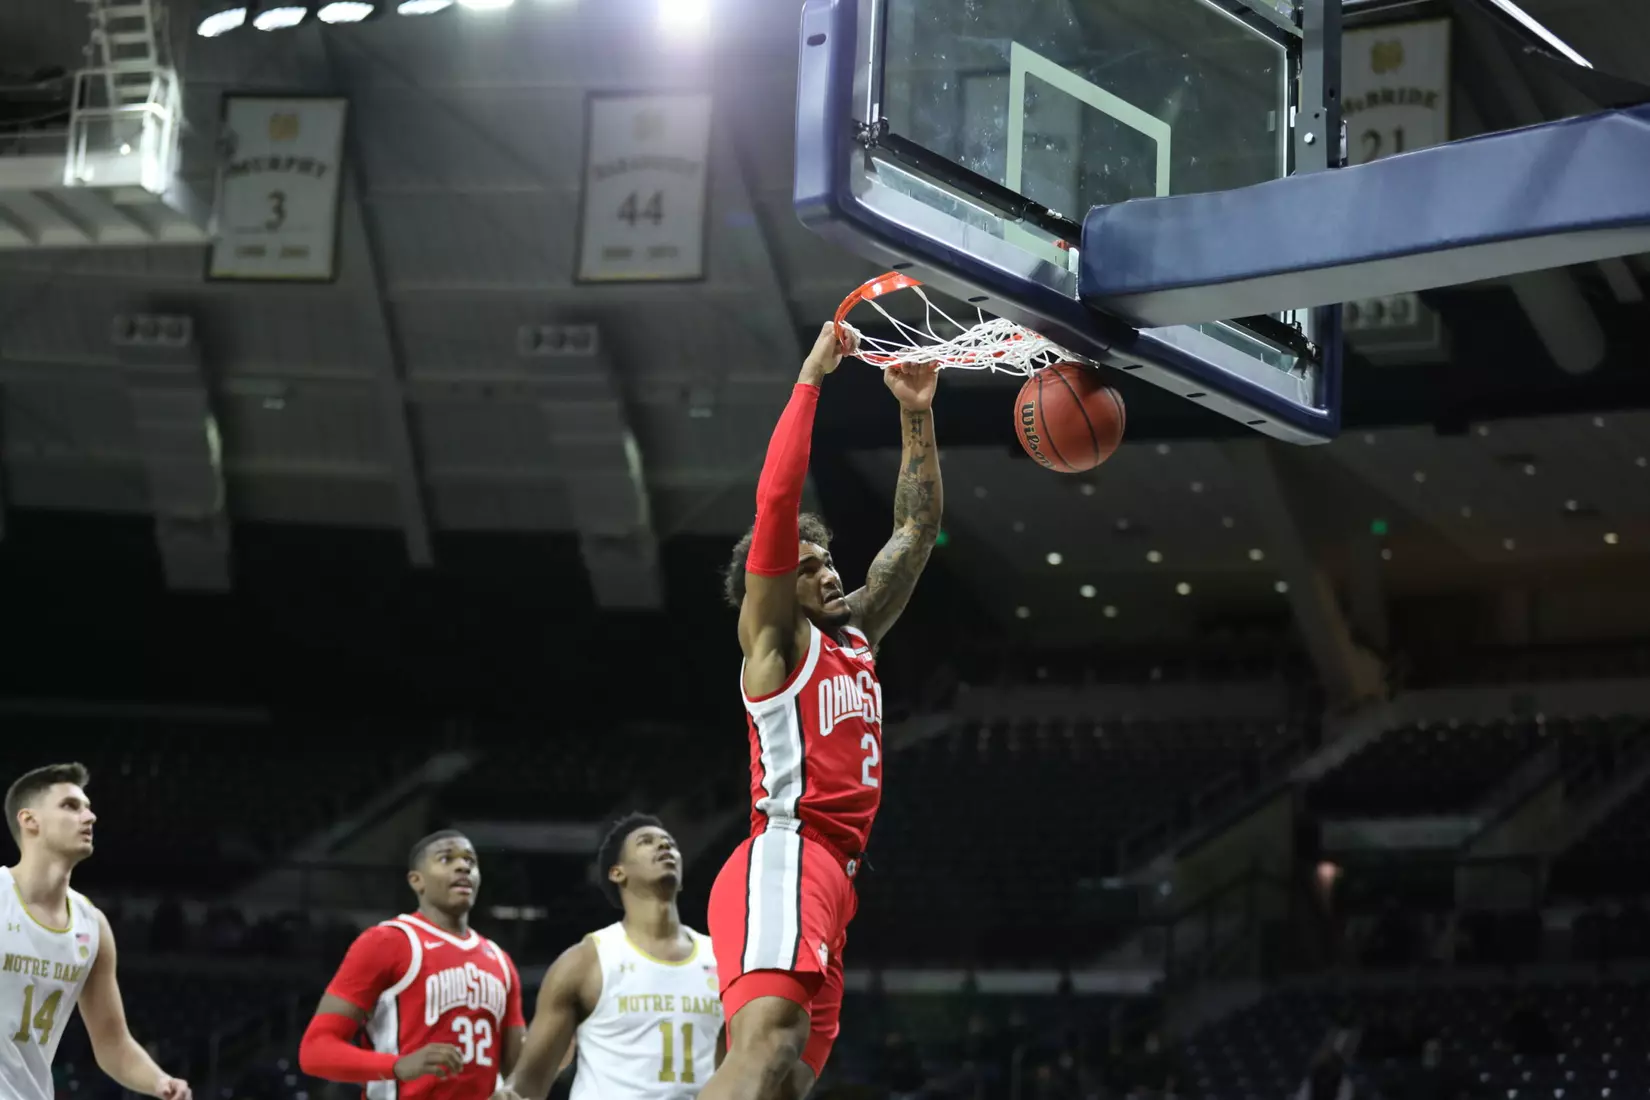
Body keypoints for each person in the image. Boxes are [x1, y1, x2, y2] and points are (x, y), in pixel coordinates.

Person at [698, 322, 943, 1100]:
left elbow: (916, 528)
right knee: (766, 1050)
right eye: (808, 566)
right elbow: (776, 500)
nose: (830, 569)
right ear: (775, 586)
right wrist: (812, 377)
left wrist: (916, 413)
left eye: (830, 555)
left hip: (838, 877)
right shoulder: (773, 642)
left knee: (785, 1083)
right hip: (787, 852)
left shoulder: (858, 634)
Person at [2, 762, 192, 1100]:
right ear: (30, 820)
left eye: (88, 808)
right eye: (71, 806)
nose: (89, 818)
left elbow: (112, 1043)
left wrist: (159, 1081)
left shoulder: (92, 926)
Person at [503, 813, 722, 1100]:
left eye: (670, 843)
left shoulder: (721, 958)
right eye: (647, 842)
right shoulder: (584, 961)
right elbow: (529, 1082)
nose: (664, 847)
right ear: (617, 872)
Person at [299, 830, 525, 1100]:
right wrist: (396, 1065)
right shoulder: (386, 941)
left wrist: (525, 1077)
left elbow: (519, 1067)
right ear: (417, 880)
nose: (463, 866)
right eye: (446, 859)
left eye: (470, 861)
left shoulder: (500, 960)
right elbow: (315, 1051)